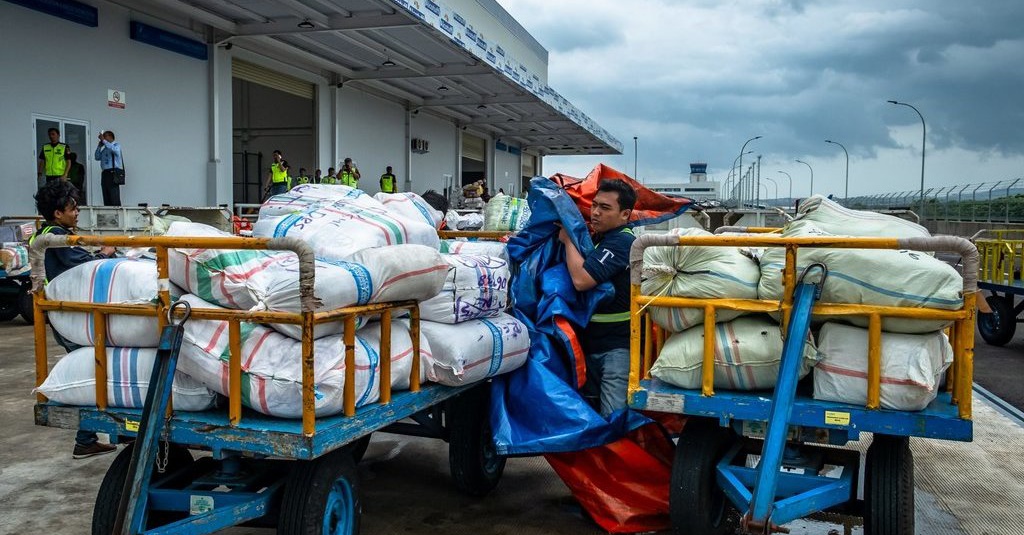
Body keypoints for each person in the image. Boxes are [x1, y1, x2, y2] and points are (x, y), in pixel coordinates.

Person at [31, 181, 118, 459]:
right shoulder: (56, 237)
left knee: (94, 369)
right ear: (58, 213)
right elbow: (83, 263)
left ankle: (88, 438)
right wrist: (104, 254)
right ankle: (85, 439)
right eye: (73, 208)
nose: (77, 212)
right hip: (69, 318)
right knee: (93, 371)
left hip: (67, 315)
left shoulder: (50, 233)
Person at [557, 179, 637, 417]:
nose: (596, 212)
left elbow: (582, 280)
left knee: (613, 419)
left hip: (615, 351)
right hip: (592, 346)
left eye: (605, 208)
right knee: (592, 415)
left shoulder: (623, 242)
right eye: (594, 206)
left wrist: (568, 240)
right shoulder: (599, 239)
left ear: (625, 214)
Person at [94, 130, 123, 206]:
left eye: (105, 136)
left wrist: (104, 141)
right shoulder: (105, 148)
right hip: (105, 172)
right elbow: (97, 157)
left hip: (113, 172)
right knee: (106, 193)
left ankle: (117, 211)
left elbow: (115, 151)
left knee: (114, 195)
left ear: (110, 137)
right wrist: (99, 146)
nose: (103, 138)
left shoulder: (116, 145)